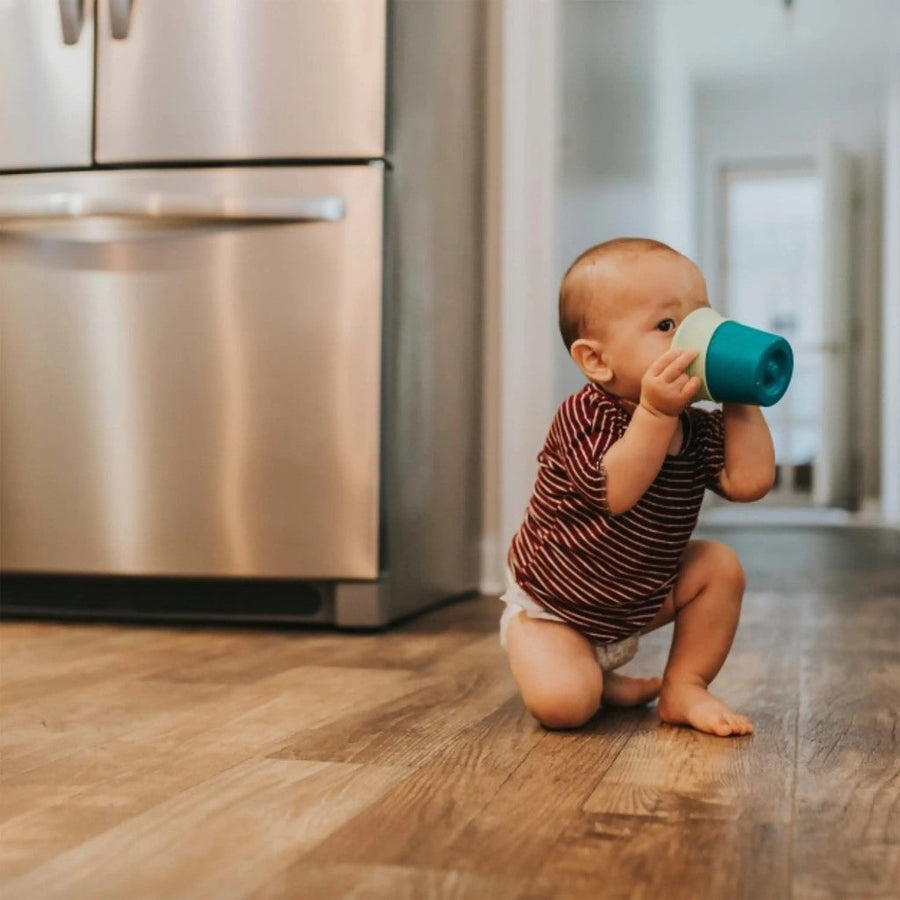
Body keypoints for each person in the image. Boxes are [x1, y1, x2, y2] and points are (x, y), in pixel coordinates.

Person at [501, 237, 776, 737]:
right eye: (669, 326)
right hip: (557, 607)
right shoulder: (586, 414)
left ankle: (684, 686)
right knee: (566, 705)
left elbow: (749, 482)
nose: (694, 340)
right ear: (597, 361)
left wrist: (743, 397)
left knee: (718, 566)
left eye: (702, 318)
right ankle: (584, 673)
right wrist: (653, 413)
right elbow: (617, 491)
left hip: (638, 599)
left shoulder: (695, 425)